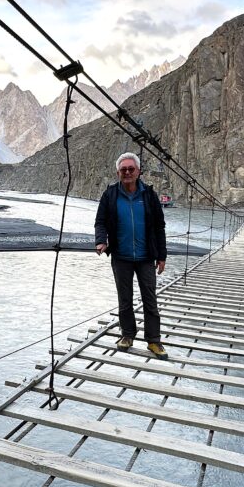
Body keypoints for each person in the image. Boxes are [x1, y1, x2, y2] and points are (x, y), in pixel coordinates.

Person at [94, 152, 169, 360]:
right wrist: (101, 240)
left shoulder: (149, 195)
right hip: (121, 256)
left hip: (146, 257)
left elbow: (159, 227)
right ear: (118, 172)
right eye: (123, 170)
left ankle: (154, 340)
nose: (127, 172)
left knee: (150, 299)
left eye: (131, 169)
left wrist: (161, 256)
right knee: (124, 299)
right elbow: (100, 222)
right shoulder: (110, 195)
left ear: (138, 172)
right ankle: (127, 335)